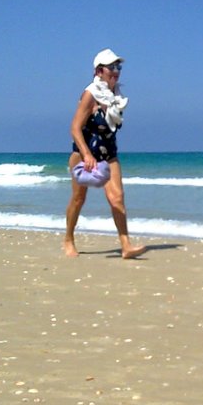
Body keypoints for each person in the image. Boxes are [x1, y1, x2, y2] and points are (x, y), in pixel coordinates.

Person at [64, 48, 146, 259]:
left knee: (117, 198)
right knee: (78, 199)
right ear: (99, 71)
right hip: (83, 155)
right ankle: (69, 239)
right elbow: (75, 128)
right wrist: (86, 155)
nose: (116, 71)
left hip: (109, 154)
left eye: (118, 67)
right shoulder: (90, 94)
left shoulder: (116, 96)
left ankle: (126, 246)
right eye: (111, 67)